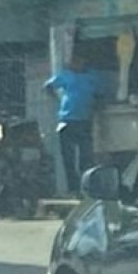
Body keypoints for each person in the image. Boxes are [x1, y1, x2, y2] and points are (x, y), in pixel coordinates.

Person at [45, 54, 103, 195]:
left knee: (86, 156)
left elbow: (100, 94)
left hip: (84, 121)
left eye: (79, 60)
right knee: (68, 158)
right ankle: (73, 188)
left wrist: (95, 106)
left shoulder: (92, 77)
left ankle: (86, 188)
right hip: (67, 121)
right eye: (73, 61)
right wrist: (57, 100)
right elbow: (48, 86)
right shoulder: (66, 75)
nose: (76, 63)